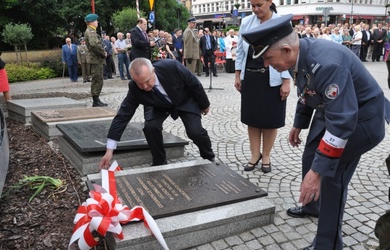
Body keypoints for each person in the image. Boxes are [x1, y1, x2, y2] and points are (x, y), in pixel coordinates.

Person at [241, 14, 390, 249]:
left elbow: (342, 123)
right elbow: (308, 88)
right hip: (335, 110)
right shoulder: (299, 55)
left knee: (331, 175)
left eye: (269, 58)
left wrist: (318, 173)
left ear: (287, 50)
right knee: (311, 154)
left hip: (361, 120)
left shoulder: (327, 64)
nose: (267, 65)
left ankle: (327, 244)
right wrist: (299, 123)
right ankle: (311, 205)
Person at [98, 58, 215, 168]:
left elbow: (194, 84)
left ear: (153, 70)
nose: (144, 86)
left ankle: (208, 156)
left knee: (195, 131)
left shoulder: (171, 67)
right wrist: (109, 151)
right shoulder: (134, 88)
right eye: (140, 83)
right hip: (157, 104)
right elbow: (123, 115)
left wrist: (204, 105)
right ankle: (159, 162)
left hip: (183, 100)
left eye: (147, 81)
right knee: (150, 128)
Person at [234, 0, 291, 173]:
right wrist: (238, 74)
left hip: (273, 77)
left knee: (270, 120)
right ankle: (254, 154)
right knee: (252, 118)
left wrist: (286, 80)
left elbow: (289, 52)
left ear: (269, 2)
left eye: (259, 4)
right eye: (253, 5)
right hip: (251, 76)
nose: (256, 9)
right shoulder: (246, 22)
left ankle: (266, 155)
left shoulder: (282, 22)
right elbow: (241, 51)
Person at [84, 13, 108, 107]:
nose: (97, 22)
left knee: (98, 78)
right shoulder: (91, 32)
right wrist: (103, 52)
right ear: (91, 22)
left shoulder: (91, 31)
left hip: (96, 59)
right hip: (96, 59)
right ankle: (96, 100)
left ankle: (96, 99)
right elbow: (94, 44)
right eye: (96, 20)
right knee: (97, 79)